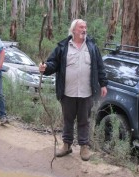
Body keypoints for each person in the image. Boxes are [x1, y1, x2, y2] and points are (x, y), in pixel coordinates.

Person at [39, 19, 108, 161]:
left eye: (85, 27)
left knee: (84, 120)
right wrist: (45, 67)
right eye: (81, 27)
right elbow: (53, 63)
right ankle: (66, 145)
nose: (84, 29)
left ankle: (84, 148)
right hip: (67, 91)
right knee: (68, 119)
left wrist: (103, 83)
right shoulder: (63, 46)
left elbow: (100, 66)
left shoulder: (92, 46)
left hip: (86, 91)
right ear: (73, 30)